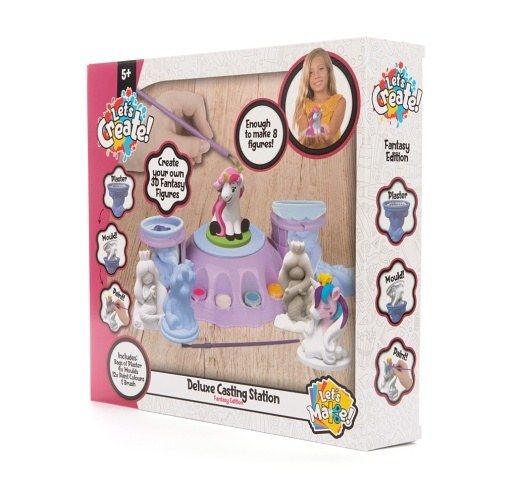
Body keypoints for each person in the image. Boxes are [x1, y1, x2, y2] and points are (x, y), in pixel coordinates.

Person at [293, 48, 346, 149]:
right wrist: (308, 135)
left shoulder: (340, 102)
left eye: (321, 69)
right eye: (311, 72)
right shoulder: (302, 105)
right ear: (306, 78)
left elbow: (331, 138)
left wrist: (321, 133)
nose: (316, 76)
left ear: (328, 71)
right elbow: (304, 140)